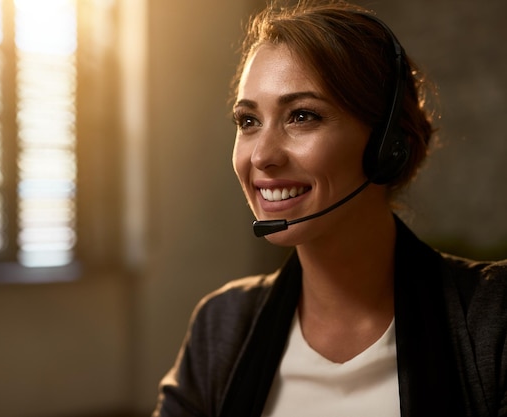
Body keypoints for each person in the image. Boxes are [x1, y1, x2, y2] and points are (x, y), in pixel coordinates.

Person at [152, 1, 507, 416]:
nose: (262, 156)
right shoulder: (223, 324)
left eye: (302, 116)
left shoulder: (494, 318)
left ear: (386, 147)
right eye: (248, 122)